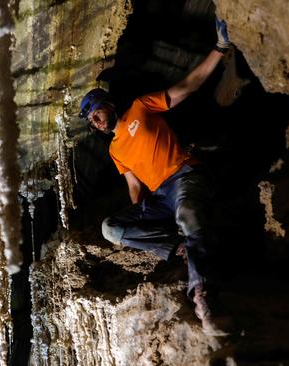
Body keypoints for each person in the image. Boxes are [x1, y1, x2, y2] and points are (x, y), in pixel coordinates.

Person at [79, 17, 232, 336]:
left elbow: (187, 86)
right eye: (91, 120)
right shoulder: (115, 151)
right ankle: (179, 246)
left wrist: (219, 49)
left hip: (184, 175)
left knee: (188, 213)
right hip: (161, 197)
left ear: (108, 105)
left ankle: (204, 298)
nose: (95, 121)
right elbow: (135, 189)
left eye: (96, 112)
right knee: (111, 227)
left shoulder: (140, 108)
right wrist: (148, 222)